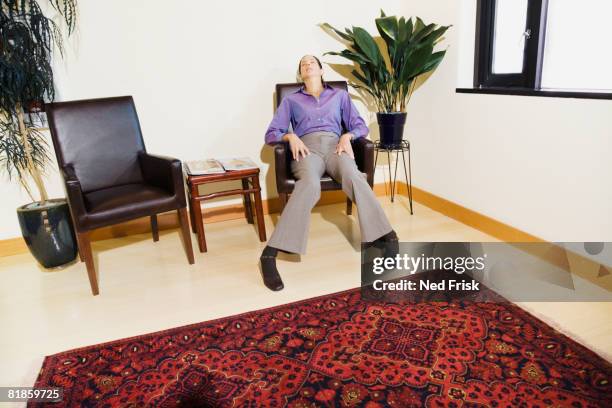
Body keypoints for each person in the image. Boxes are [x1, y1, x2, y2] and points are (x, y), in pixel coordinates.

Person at [260, 55, 398, 291]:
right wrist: (290, 136)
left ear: (322, 70)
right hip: (307, 149)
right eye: (303, 64)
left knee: (354, 176)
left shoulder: (340, 96)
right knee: (310, 184)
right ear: (300, 74)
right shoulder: (292, 101)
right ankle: (270, 254)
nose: (307, 64)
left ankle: (388, 236)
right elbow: (272, 133)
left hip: (337, 147)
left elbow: (360, 125)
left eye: (311, 62)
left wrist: (348, 136)